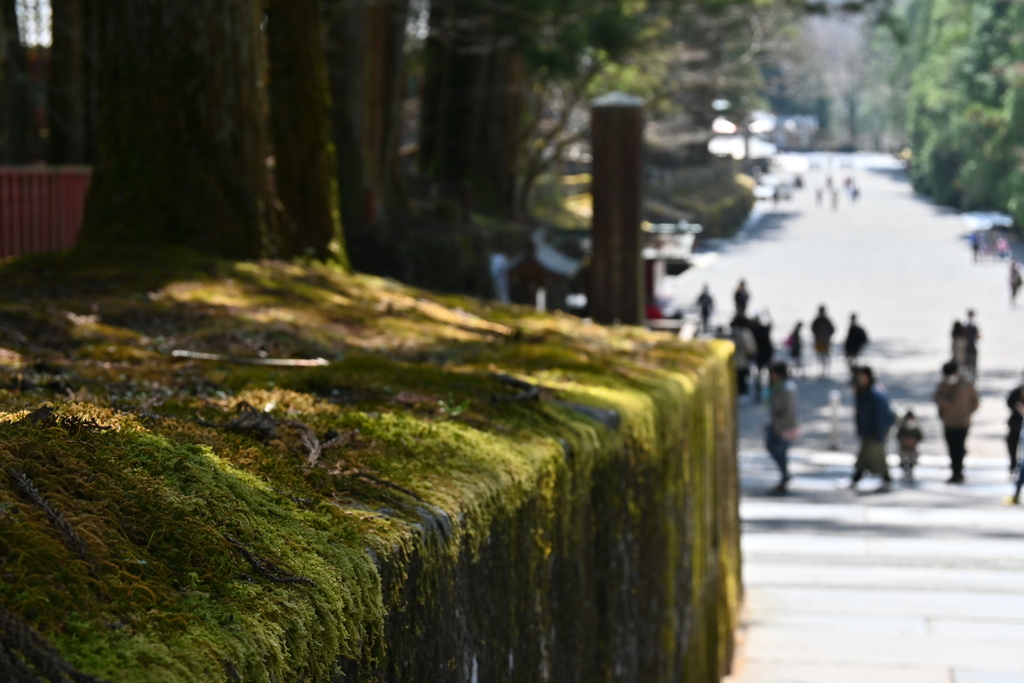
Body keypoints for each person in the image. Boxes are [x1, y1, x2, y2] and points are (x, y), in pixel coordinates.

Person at [933, 361, 980, 484]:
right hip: (948, 422)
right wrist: (943, 403)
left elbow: (975, 402)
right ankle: (955, 471)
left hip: (963, 423)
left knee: (958, 448)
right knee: (952, 448)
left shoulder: (966, 385)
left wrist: (967, 413)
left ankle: (958, 473)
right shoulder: (943, 385)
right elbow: (936, 397)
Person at [850, 366, 895, 491]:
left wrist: (879, 434)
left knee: (869, 457)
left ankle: (858, 478)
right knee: (868, 458)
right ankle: (858, 478)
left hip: (875, 431)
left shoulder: (875, 394)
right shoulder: (863, 392)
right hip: (869, 431)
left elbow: (881, 416)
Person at [766, 361, 798, 494]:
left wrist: (778, 426)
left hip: (784, 426)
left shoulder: (786, 388)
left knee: (779, 451)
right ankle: (784, 476)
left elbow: (789, 411)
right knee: (776, 450)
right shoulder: (780, 386)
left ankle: (785, 477)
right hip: (779, 425)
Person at [750, 311, 774, 401]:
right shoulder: (764, 329)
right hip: (767, 354)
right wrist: (768, 314)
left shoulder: (753, 330)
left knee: (759, 376)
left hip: (759, 355)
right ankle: (771, 393)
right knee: (770, 375)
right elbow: (771, 324)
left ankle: (759, 394)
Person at [731, 316, 758, 400]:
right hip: (742, 359)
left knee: (740, 377)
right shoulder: (745, 332)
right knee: (742, 377)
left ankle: (741, 393)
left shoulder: (736, 332)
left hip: (738, 359)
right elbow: (750, 347)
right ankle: (742, 393)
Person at [896, 410, 924, 480]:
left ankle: (911, 466)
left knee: (913, 457)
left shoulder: (916, 428)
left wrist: (914, 441)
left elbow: (920, 436)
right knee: (903, 455)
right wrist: (904, 440)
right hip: (904, 447)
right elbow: (898, 436)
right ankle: (903, 465)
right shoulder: (903, 428)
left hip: (912, 447)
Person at [810, 306, 836, 377]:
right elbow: (812, 329)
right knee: (820, 357)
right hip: (819, 342)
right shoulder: (817, 321)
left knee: (825, 357)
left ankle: (825, 370)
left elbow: (832, 329)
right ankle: (821, 370)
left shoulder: (827, 321)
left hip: (825, 342)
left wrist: (827, 336)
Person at [1007, 374, 1024, 474]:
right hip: (1016, 422)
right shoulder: (1017, 391)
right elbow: (1009, 402)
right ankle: (1013, 464)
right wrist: (1016, 406)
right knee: (1012, 444)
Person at [963, 310, 980, 380]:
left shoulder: (974, 327)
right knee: (966, 368)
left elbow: (977, 337)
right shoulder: (965, 327)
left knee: (973, 369)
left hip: (972, 349)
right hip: (966, 349)